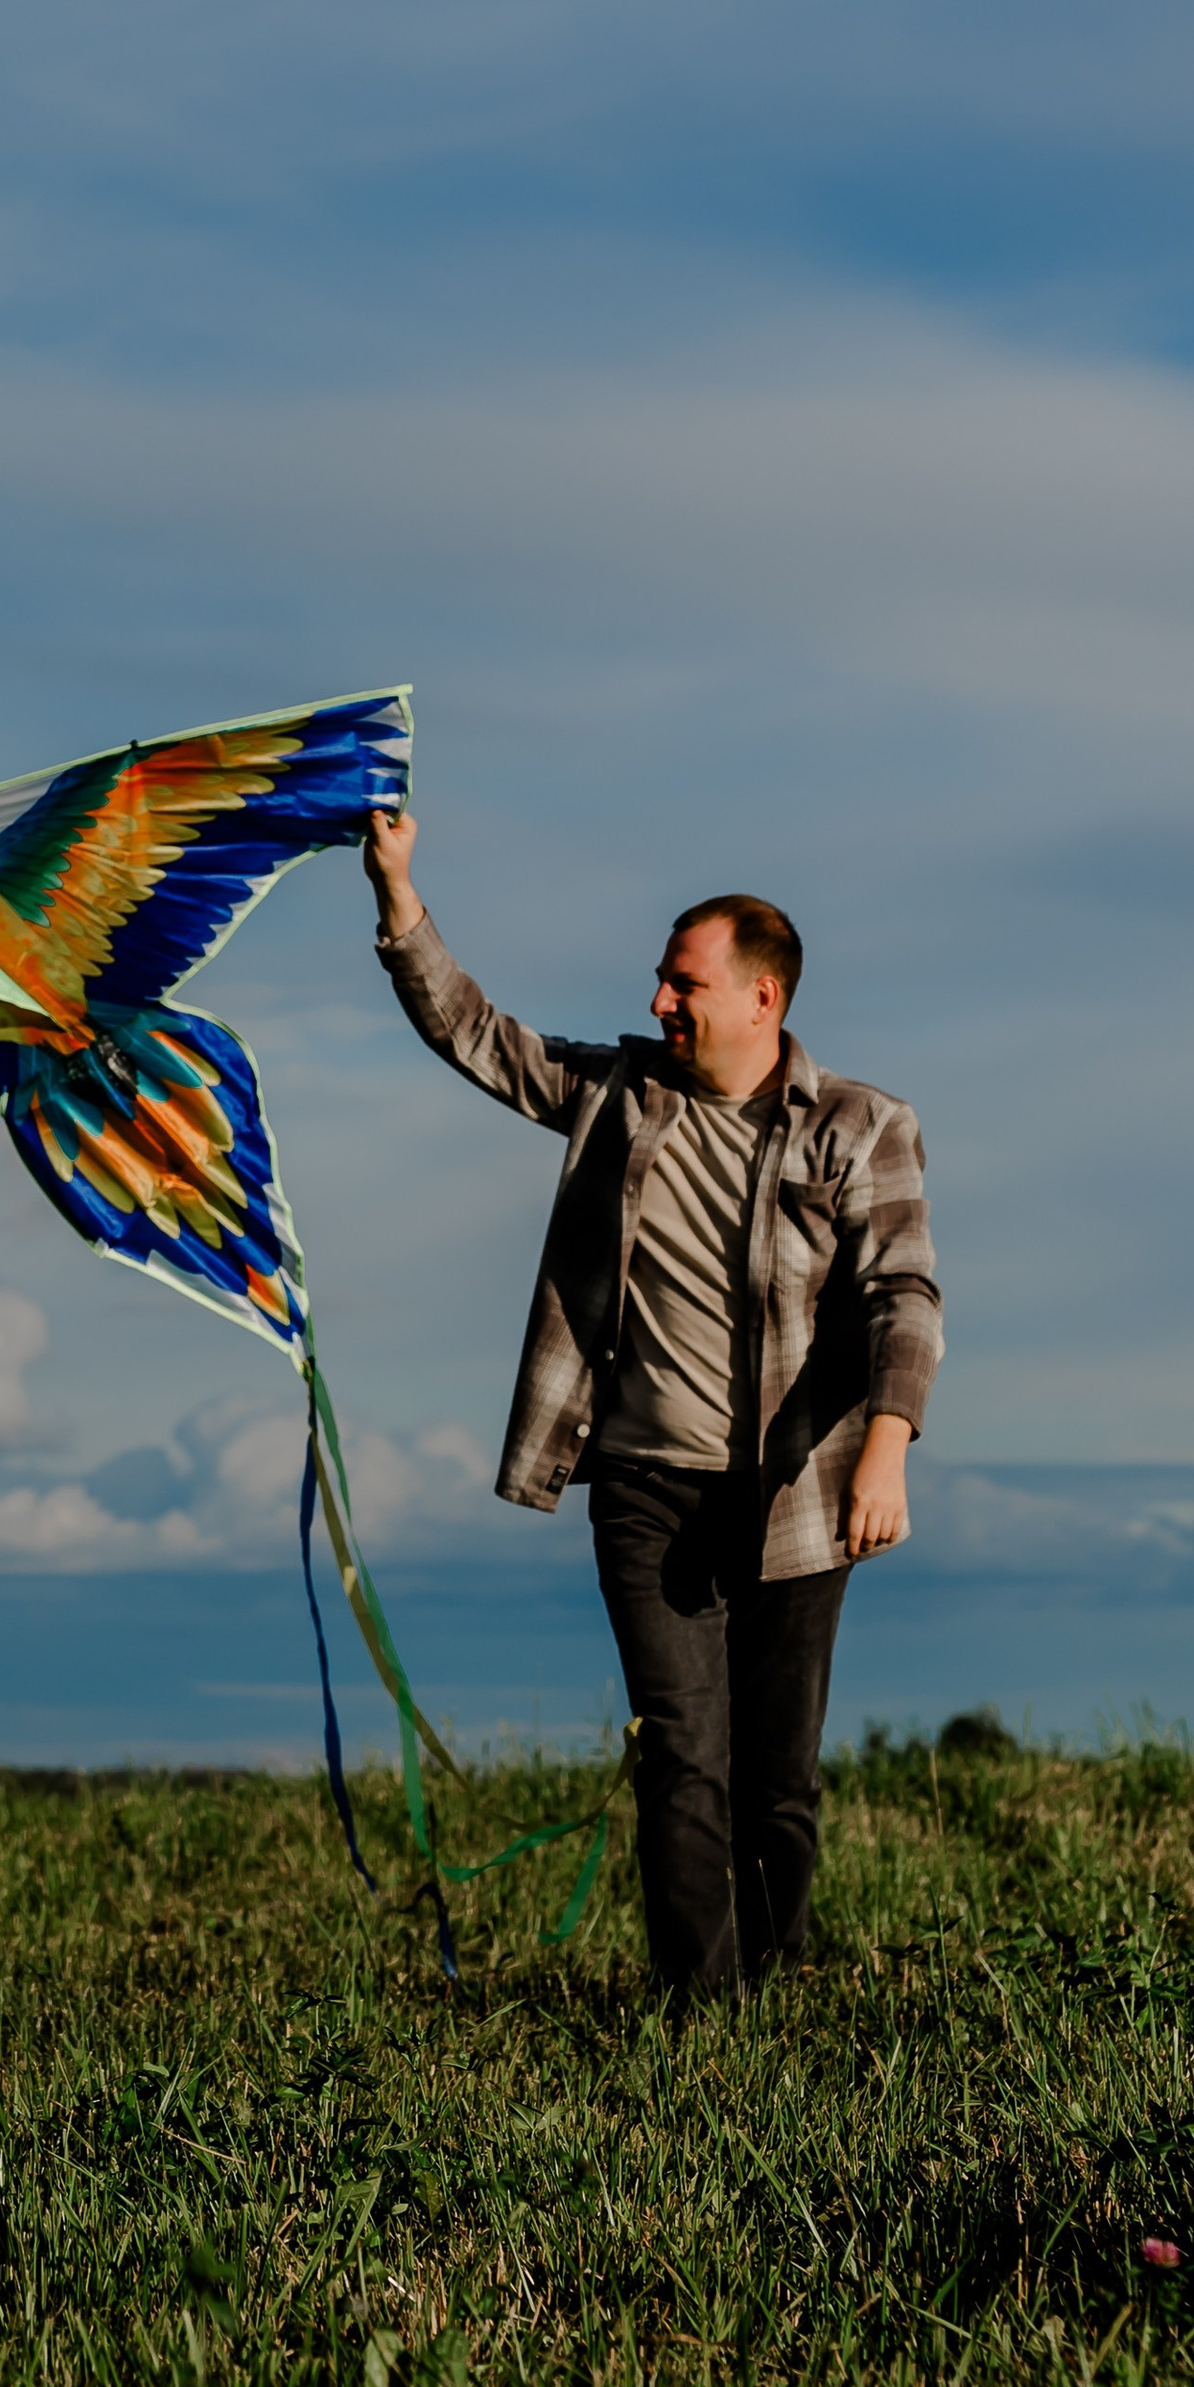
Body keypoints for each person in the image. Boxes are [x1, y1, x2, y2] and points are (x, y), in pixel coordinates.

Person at [360, 806, 939, 2001]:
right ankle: (698, 2016)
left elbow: (903, 1295)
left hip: (799, 1497)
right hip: (642, 1487)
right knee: (683, 1752)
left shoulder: (858, 1125)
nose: (660, 999)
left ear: (760, 997)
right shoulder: (617, 1094)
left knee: (776, 1777)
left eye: (684, 982)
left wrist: (886, 1450)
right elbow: (474, 1033)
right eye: (663, 980)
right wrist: (397, 891)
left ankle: (766, 1990)